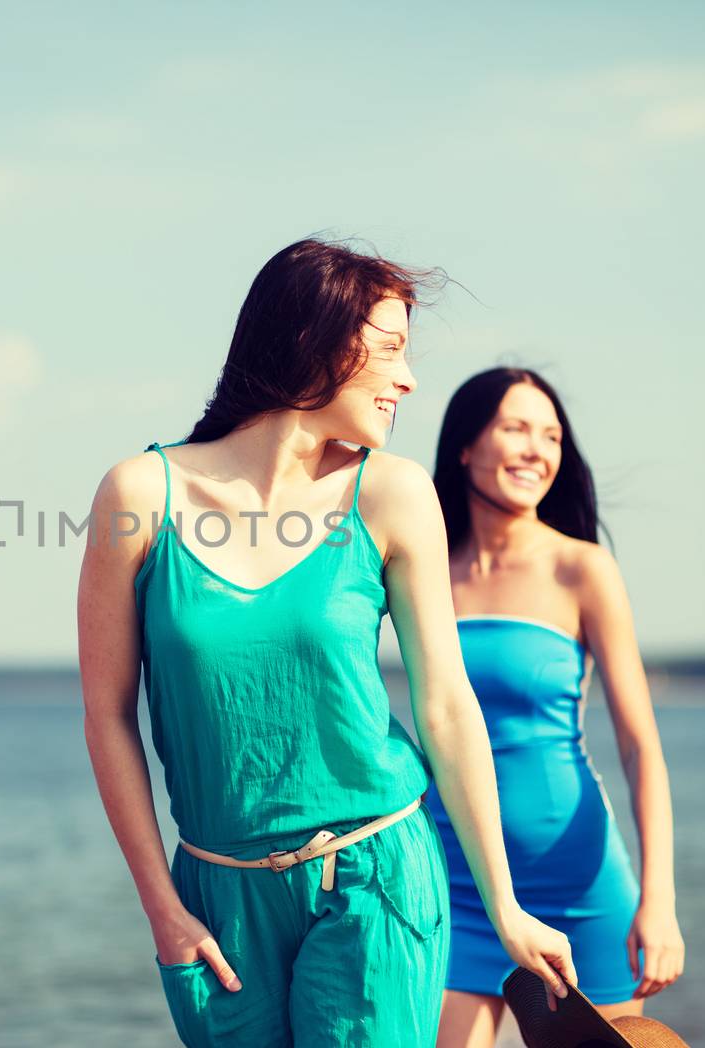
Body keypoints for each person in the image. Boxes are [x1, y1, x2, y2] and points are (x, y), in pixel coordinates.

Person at [77, 240, 577, 1047]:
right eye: (390, 350)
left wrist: (505, 905)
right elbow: (106, 717)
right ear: (315, 342)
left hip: (375, 876)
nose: (409, 379)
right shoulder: (140, 495)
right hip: (215, 900)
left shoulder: (395, 493)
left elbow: (446, 708)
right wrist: (161, 910)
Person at [423, 368, 685, 1048]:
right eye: (515, 427)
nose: (537, 449)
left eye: (551, 435)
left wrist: (659, 900)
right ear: (464, 445)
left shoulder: (582, 568)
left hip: (578, 881)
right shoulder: (421, 571)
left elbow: (639, 746)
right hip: (456, 877)